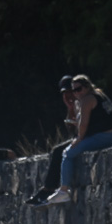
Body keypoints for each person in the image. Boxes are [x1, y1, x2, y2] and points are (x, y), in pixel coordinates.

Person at [46, 74, 112, 205]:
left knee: (67, 153)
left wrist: (78, 139)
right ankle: (63, 190)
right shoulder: (99, 94)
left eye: (79, 89)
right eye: (74, 91)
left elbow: (83, 125)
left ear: (87, 86)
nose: (76, 93)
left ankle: (64, 190)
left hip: (107, 136)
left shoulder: (87, 99)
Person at [25, 75, 78, 206]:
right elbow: (72, 130)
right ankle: (48, 189)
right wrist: (70, 109)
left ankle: (49, 189)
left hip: (89, 137)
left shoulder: (83, 102)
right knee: (57, 150)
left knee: (58, 151)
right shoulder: (73, 106)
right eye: (65, 93)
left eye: (70, 92)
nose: (68, 96)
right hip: (80, 137)